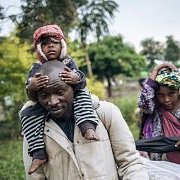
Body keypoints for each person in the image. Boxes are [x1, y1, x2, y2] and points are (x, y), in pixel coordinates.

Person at [21, 61, 149, 179]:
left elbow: (130, 164)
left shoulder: (106, 112)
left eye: (60, 92)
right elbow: (36, 177)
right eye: (44, 95)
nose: (53, 102)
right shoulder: (34, 130)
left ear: (73, 88)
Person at [21, 24, 99, 174]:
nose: (50, 46)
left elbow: (81, 80)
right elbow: (31, 95)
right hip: (43, 102)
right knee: (26, 113)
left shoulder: (68, 62)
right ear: (39, 49)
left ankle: (87, 126)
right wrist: (32, 86)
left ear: (62, 45)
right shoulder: (36, 68)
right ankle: (38, 152)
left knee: (83, 94)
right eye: (45, 44)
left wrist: (76, 77)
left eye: (54, 42)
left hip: (71, 98)